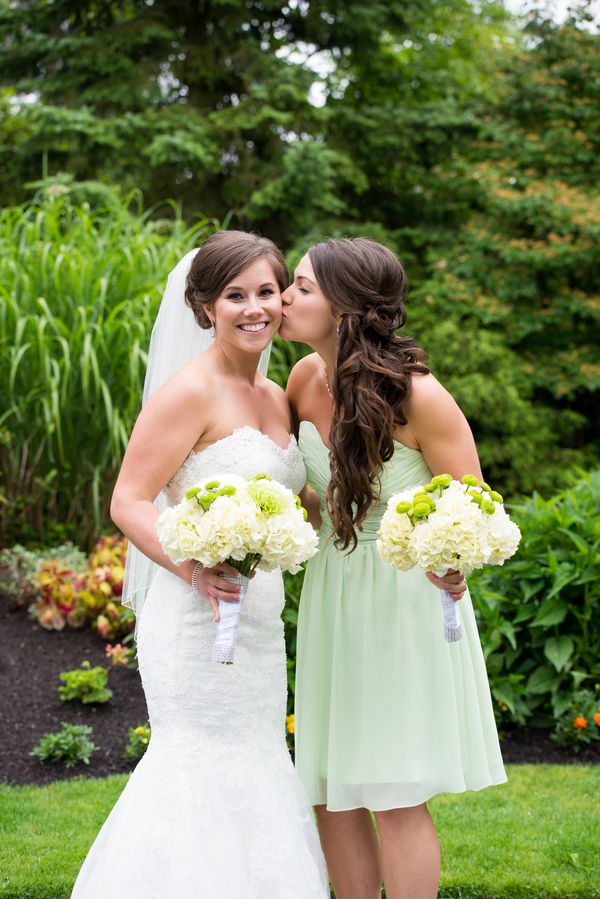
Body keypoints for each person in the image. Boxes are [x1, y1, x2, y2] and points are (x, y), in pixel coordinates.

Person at [71, 231, 329, 898]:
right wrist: (193, 568)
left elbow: (296, 497)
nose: (254, 308)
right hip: (193, 615)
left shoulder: (277, 397)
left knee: (259, 759)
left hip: (260, 619)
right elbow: (128, 499)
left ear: (282, 298)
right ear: (205, 306)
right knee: (197, 764)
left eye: (266, 292)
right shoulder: (190, 391)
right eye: (234, 295)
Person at [280, 237, 506, 899]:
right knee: (332, 788)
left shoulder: (421, 396)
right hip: (332, 591)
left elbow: (476, 504)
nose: (285, 297)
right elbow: (320, 496)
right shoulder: (300, 379)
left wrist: (454, 562)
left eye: (301, 287)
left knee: (394, 789)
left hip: (402, 596)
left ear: (346, 307)